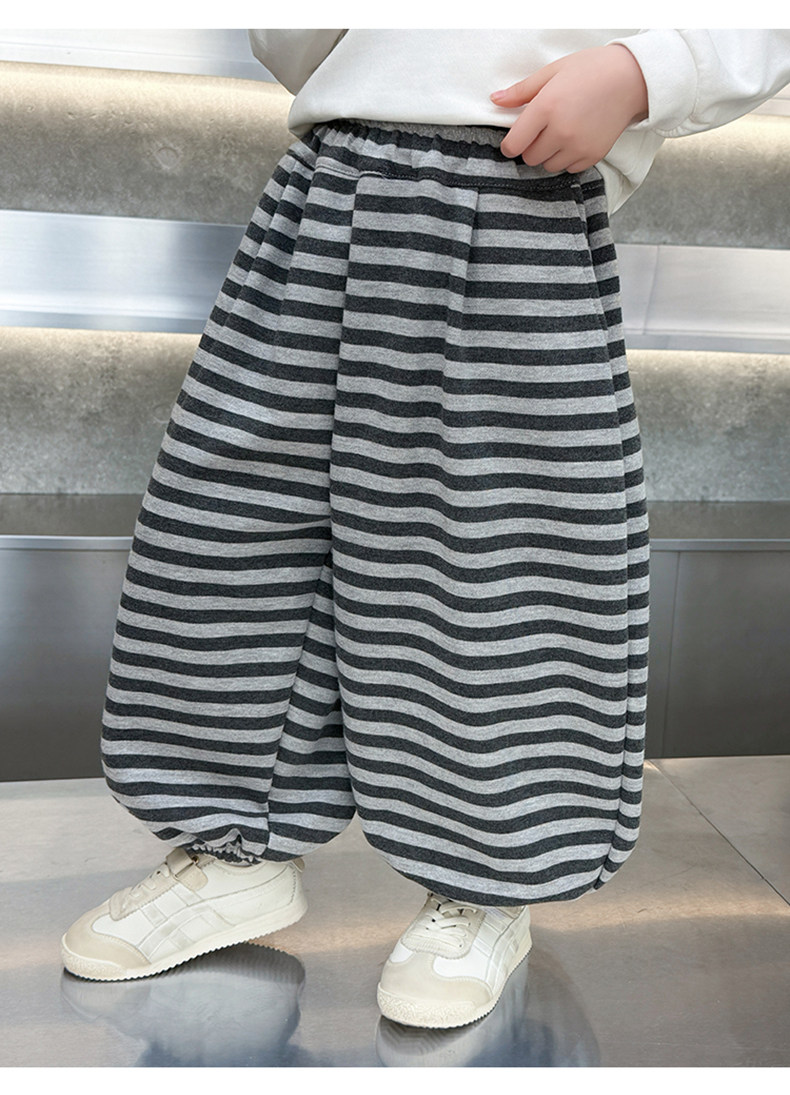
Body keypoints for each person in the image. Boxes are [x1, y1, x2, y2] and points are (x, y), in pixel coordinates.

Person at [61, 29, 790, 1030]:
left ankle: (488, 879)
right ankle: (235, 849)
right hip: (326, 181)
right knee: (232, 529)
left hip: (518, 193)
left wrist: (647, 72)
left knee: (500, 566)